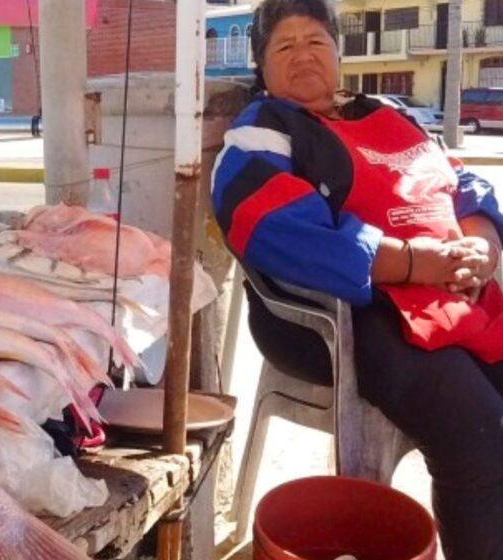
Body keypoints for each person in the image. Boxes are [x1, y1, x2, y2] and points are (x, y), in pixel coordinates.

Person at [211, 1, 503, 558]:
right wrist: (418, 263)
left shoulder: (391, 115)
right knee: (478, 435)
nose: (303, 55)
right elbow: (272, 226)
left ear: (339, 56)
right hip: (348, 314)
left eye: (316, 41)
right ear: (262, 67)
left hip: (455, 293)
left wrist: (480, 247)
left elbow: (464, 185)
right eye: (285, 45)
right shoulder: (264, 129)